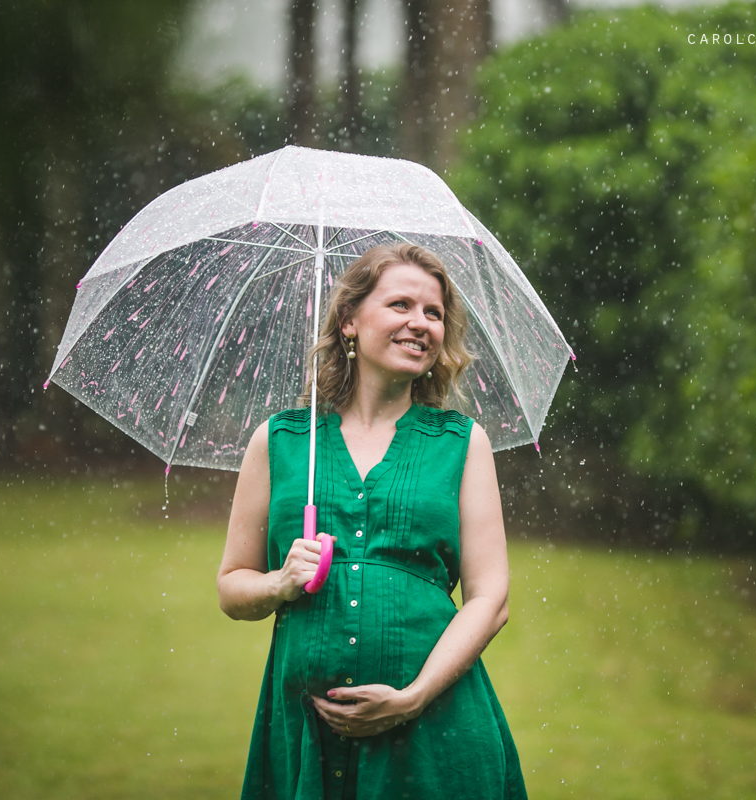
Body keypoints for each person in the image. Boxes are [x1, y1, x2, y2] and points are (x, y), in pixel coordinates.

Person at [217, 243, 528, 799]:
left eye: (433, 313)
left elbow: (490, 599)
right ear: (349, 322)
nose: (421, 323)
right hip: (305, 735)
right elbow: (231, 587)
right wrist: (279, 582)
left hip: (434, 735)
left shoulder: (462, 443)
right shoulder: (281, 440)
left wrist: (412, 697)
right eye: (400, 305)